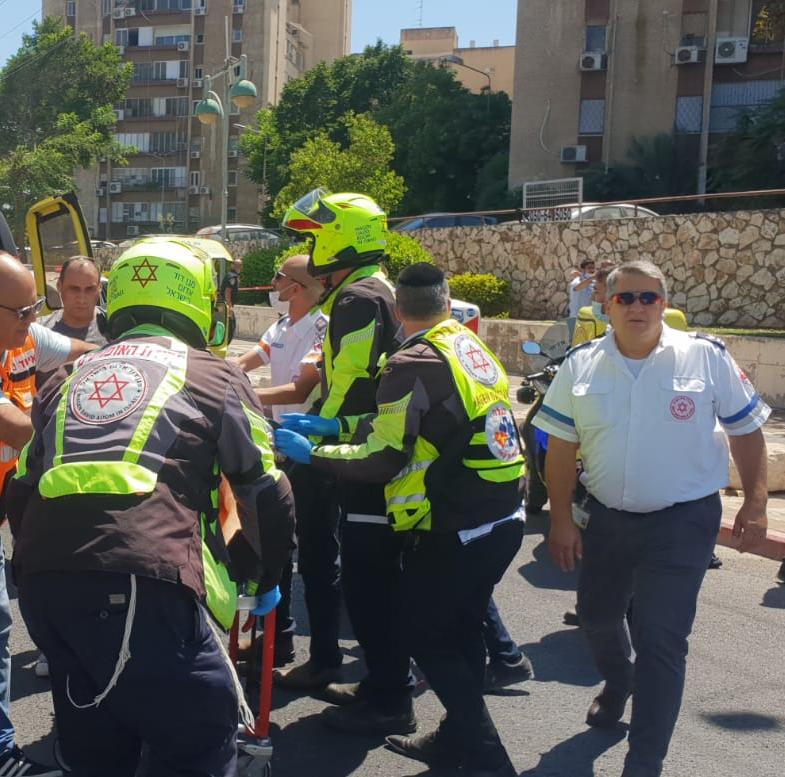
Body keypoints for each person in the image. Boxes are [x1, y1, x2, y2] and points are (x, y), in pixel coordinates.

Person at [7, 238, 295, 777]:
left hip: (46, 587)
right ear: (197, 302)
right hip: (143, 584)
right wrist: (262, 571)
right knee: (200, 736)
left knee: (95, 744)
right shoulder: (215, 375)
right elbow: (265, 490)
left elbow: (23, 487)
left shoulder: (68, 377)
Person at [275, 263, 525, 777]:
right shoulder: (462, 345)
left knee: (426, 634)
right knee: (460, 630)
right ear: (447, 300)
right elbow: (412, 414)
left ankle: (486, 757)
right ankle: (458, 738)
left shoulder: (407, 360)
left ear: (394, 310)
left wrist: (315, 452)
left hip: (458, 522)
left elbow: (384, 456)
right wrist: (336, 423)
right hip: (501, 515)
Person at [534, 259, 769, 777]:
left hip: (682, 522)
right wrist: (560, 520)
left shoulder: (705, 358)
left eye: (649, 297)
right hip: (608, 519)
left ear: (664, 303)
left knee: (663, 640)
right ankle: (619, 681)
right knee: (597, 617)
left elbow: (746, 430)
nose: (638, 307)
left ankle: (645, 761)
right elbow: (559, 447)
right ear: (607, 304)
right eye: (626, 298)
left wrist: (755, 502)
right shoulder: (581, 363)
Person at [277, 189, 412, 736]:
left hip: (353, 453)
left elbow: (351, 381)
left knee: (348, 569)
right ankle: (354, 673)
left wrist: (315, 438)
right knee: (347, 567)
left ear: (340, 236)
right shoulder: (368, 290)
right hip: (364, 444)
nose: (310, 249)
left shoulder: (357, 297)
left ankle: (371, 686)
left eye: (315, 236)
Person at [0, 252, 97, 776]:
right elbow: (20, 429)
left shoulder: (23, 335)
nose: (33, 320)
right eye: (22, 311)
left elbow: (82, 350)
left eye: (36, 307)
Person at [233, 254, 339, 672]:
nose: (273, 283)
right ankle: (280, 639)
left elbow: (301, 387)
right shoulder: (280, 325)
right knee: (274, 547)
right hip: (275, 442)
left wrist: (245, 397)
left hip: (308, 448)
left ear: (296, 287)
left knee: (309, 553)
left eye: (279, 276)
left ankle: (320, 655)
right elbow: (247, 361)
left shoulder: (321, 329)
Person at [567, 258, 595, 341]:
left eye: (593, 268)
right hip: (575, 318)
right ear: (583, 269)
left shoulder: (593, 283)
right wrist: (590, 279)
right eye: (589, 268)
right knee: (573, 343)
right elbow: (577, 288)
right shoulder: (576, 281)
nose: (592, 270)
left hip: (588, 318)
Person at [220, 257, 242, 340]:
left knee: (229, 325)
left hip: (224, 304)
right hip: (226, 305)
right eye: (238, 265)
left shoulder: (230, 275)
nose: (239, 268)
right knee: (231, 326)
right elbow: (227, 292)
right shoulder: (232, 277)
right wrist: (230, 306)